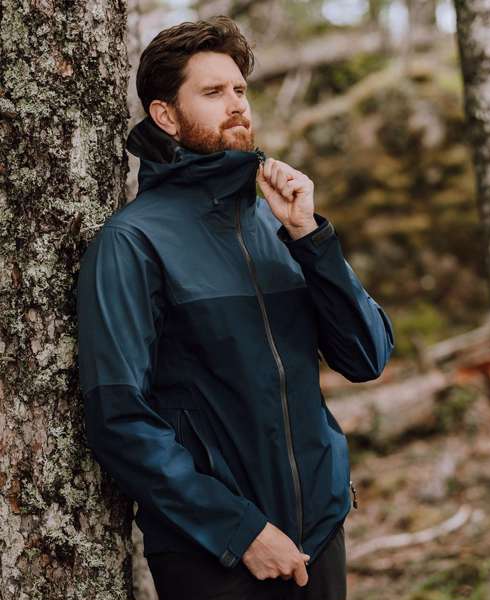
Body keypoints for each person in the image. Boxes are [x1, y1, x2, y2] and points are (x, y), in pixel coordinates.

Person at [76, 15, 395, 600]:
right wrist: (240, 531)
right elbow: (118, 417)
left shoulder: (279, 223)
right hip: (214, 556)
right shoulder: (133, 242)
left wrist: (310, 238)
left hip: (320, 537)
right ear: (165, 114)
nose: (237, 105)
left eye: (240, 90)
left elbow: (366, 357)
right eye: (213, 92)